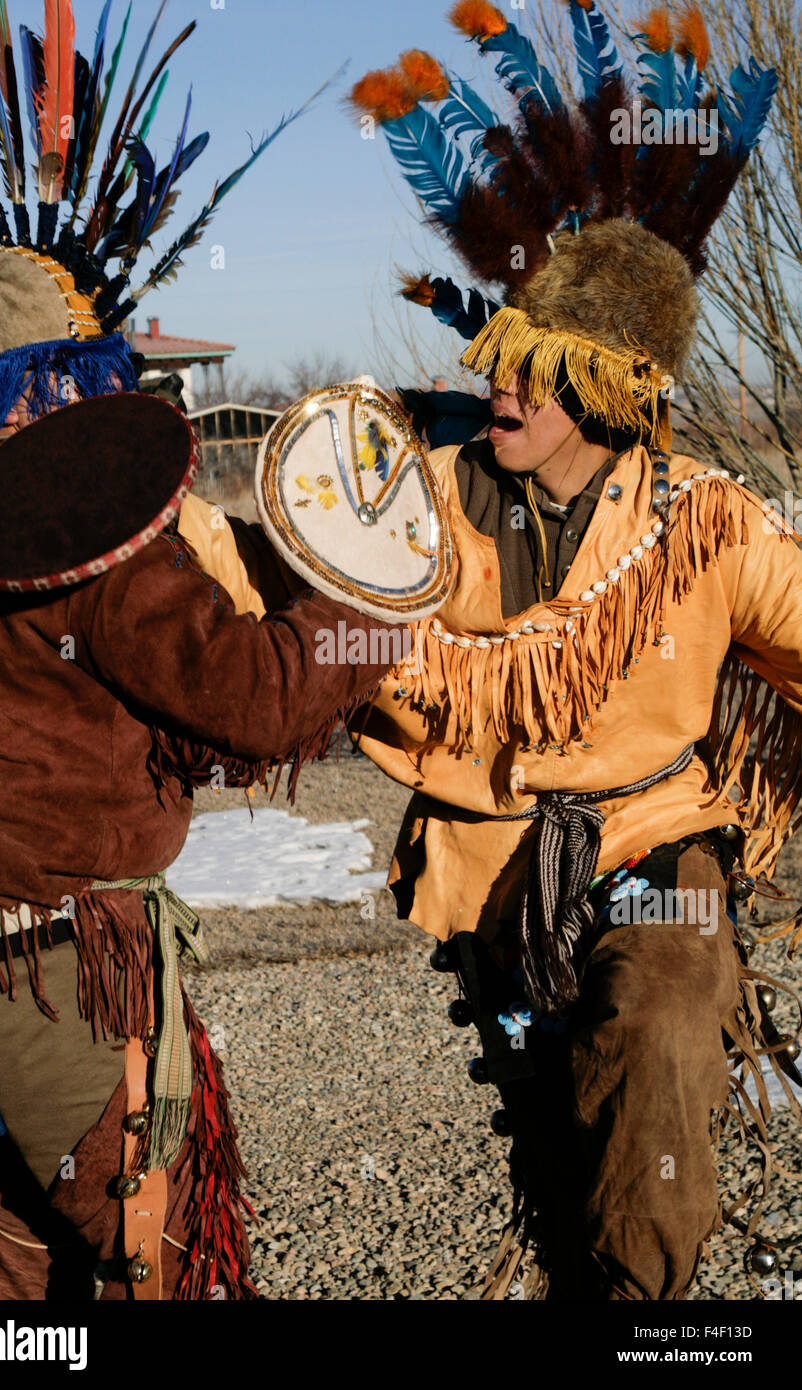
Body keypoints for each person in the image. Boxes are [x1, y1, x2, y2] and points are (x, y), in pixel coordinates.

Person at [0, 0, 401, 1301]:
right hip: (67, 990)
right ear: (52, 383)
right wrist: (374, 599)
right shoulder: (75, 520)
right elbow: (263, 698)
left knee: (22, 1285)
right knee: (162, 1272)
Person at [338, 1, 802, 1298]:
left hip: (657, 844)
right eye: (497, 359)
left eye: (533, 373)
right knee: (554, 1137)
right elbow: (267, 604)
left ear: (603, 392)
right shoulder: (417, 497)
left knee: (654, 1041)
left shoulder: (707, 521)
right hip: (486, 871)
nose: (499, 387)